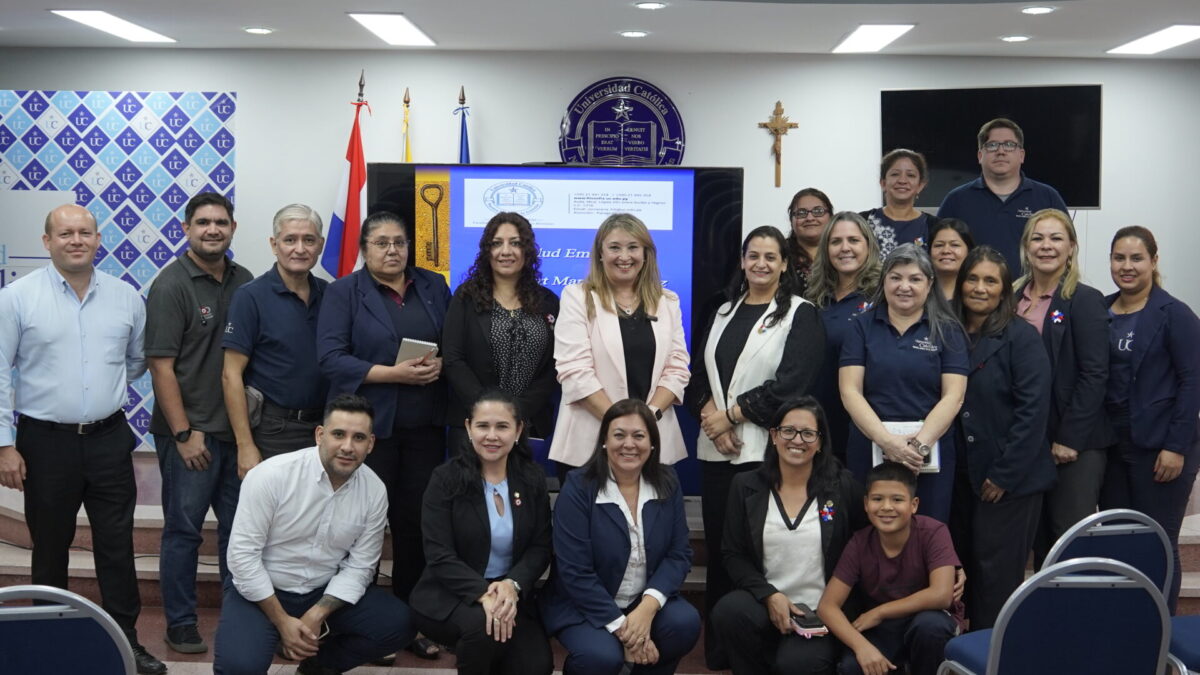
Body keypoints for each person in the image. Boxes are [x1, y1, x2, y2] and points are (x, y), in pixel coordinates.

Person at [0, 204, 166, 674]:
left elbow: (137, 361)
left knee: (117, 545)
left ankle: (126, 641)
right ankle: (42, 641)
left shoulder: (126, 297)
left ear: (98, 240)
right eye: (66, 233)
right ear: (46, 240)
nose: (76, 240)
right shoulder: (17, 298)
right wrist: (4, 444)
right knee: (50, 546)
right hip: (43, 443)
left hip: (109, 439)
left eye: (85, 232)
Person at [684, 225, 825, 669]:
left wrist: (732, 416)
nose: (761, 263)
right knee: (725, 556)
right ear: (743, 261)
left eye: (771, 256)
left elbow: (791, 385)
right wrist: (714, 420)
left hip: (767, 455)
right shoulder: (723, 310)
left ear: (785, 264)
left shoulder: (801, 314)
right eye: (753, 255)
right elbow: (696, 374)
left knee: (759, 554)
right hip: (716, 452)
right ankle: (723, 651)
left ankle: (767, 645)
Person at [316, 210, 450, 659]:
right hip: (369, 433)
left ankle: (411, 622)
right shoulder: (343, 293)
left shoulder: (433, 286)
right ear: (364, 249)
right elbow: (331, 359)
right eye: (381, 243)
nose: (393, 250)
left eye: (399, 242)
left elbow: (452, 343)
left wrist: (439, 364)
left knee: (415, 528)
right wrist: (392, 374)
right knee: (361, 529)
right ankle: (366, 625)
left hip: (425, 431)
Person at [213, 394, 415, 675]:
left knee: (399, 624)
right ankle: (266, 637)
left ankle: (317, 668)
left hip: (321, 591)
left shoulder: (374, 490)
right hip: (260, 593)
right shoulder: (271, 476)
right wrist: (283, 621)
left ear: (370, 444)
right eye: (338, 434)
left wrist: (317, 614)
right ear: (320, 435)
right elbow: (242, 558)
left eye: (358, 438)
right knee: (239, 667)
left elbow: (361, 567)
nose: (347, 447)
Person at [146, 191, 253, 654]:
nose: (213, 229)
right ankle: (182, 623)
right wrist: (184, 434)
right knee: (183, 534)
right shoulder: (172, 285)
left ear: (232, 229)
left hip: (238, 434)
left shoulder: (244, 280)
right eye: (203, 222)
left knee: (240, 536)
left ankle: (241, 620)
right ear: (186, 229)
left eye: (222, 222)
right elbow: (161, 367)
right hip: (193, 438)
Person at [540, 399, 700, 675]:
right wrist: (625, 630)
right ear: (604, 441)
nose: (629, 444)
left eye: (639, 436)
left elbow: (679, 554)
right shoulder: (579, 488)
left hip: (641, 601)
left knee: (684, 623)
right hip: (583, 605)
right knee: (601, 657)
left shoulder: (667, 481)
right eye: (619, 435)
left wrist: (647, 608)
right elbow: (575, 571)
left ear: (652, 444)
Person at [711, 397, 866, 675]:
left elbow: (871, 540)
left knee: (796, 665)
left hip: (821, 610)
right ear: (773, 436)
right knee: (729, 611)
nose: (797, 440)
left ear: (820, 442)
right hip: (766, 603)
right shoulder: (745, 486)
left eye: (808, 433)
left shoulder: (843, 487)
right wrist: (770, 596)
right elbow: (733, 554)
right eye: (788, 431)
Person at [410, 390, 554, 675]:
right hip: (449, 594)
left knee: (536, 666)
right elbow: (439, 554)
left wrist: (512, 585)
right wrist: (481, 593)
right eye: (482, 426)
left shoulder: (532, 479)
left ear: (518, 430)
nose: (492, 435)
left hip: (508, 593)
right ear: (467, 428)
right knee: (483, 630)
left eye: (502, 426)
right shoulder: (445, 479)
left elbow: (540, 546)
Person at [950, 246, 1054, 630]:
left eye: (990, 280)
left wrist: (1004, 474)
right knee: (963, 571)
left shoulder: (1021, 337)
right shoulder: (947, 332)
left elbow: (1033, 412)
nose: (980, 288)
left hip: (1010, 481)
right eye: (972, 279)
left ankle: (992, 657)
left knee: (996, 579)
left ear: (1004, 289)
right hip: (959, 476)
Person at [1099, 226, 1200, 613]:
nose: (1127, 267)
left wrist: (1175, 446)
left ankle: (1161, 633)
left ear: (1154, 262)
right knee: (1120, 542)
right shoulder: (1102, 310)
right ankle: (1126, 628)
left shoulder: (1175, 314)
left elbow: (1192, 383)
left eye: (1136, 258)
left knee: (1158, 541)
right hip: (1112, 445)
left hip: (1160, 447)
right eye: (1119, 258)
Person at [549, 213, 690, 472]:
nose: (624, 256)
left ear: (646, 254)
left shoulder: (668, 302)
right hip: (589, 444)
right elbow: (574, 371)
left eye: (633, 247)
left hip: (653, 440)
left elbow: (677, 369)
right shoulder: (577, 297)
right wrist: (621, 427)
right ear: (600, 254)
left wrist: (646, 421)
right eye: (614, 247)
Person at [839, 244, 969, 523]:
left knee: (928, 534)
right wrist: (888, 442)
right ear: (884, 280)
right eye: (896, 277)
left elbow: (954, 396)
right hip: (871, 448)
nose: (904, 286)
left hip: (928, 455)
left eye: (915, 278)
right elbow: (850, 391)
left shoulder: (948, 329)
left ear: (930, 283)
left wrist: (918, 447)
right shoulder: (861, 326)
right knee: (870, 533)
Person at [1013, 209, 1112, 565]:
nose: (1046, 246)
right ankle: (1045, 618)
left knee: (1070, 541)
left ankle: (1079, 619)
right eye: (1038, 238)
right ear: (1026, 246)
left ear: (1072, 247)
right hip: (1030, 442)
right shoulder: (1012, 299)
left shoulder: (1085, 300)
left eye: (1056, 238)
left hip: (1075, 445)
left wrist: (1069, 437)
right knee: (1038, 540)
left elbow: (1095, 374)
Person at [818, 461, 965, 675]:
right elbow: (827, 606)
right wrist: (862, 647)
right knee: (852, 667)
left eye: (897, 499)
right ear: (866, 504)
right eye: (878, 499)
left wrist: (880, 612)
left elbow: (941, 595)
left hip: (927, 620)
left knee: (930, 627)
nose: (887, 507)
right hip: (884, 630)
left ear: (914, 505)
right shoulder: (859, 543)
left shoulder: (933, 531)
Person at [222, 204, 329, 478]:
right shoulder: (251, 297)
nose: (300, 249)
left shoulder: (332, 294)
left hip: (325, 429)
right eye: (290, 240)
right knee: (274, 518)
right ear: (274, 244)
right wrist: (245, 445)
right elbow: (230, 374)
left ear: (320, 245)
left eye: (309, 240)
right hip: (273, 431)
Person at [442, 212, 559, 453]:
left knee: (523, 490)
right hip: (473, 426)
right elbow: (453, 359)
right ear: (487, 251)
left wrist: (518, 411)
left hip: (528, 425)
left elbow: (553, 367)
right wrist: (490, 410)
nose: (506, 251)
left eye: (515, 243)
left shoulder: (548, 301)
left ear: (527, 250)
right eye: (497, 243)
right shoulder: (466, 297)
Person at [937, 118, 1069, 268]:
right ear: (980, 156)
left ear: (1021, 155)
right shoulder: (956, 200)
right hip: (975, 290)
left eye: (1009, 145)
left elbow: (1066, 249)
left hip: (1033, 291)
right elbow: (939, 253)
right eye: (992, 145)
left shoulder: (1048, 197)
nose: (1001, 151)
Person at [805, 212, 883, 461]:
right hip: (819, 425)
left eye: (853, 240)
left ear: (868, 246)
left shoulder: (883, 297)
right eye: (836, 241)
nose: (845, 248)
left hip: (867, 428)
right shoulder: (814, 299)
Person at [861, 149, 938, 256]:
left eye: (910, 175)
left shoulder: (934, 227)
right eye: (895, 174)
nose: (902, 180)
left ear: (920, 185)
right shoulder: (862, 221)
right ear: (883, 183)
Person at [785, 187, 834, 292]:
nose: (810, 218)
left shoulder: (842, 251)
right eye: (801, 213)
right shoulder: (780, 254)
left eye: (818, 211)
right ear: (791, 220)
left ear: (830, 217)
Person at [927, 218, 975, 301]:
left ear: (969, 250)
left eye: (955, 245)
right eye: (939, 245)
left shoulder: (976, 293)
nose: (946, 251)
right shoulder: (919, 293)